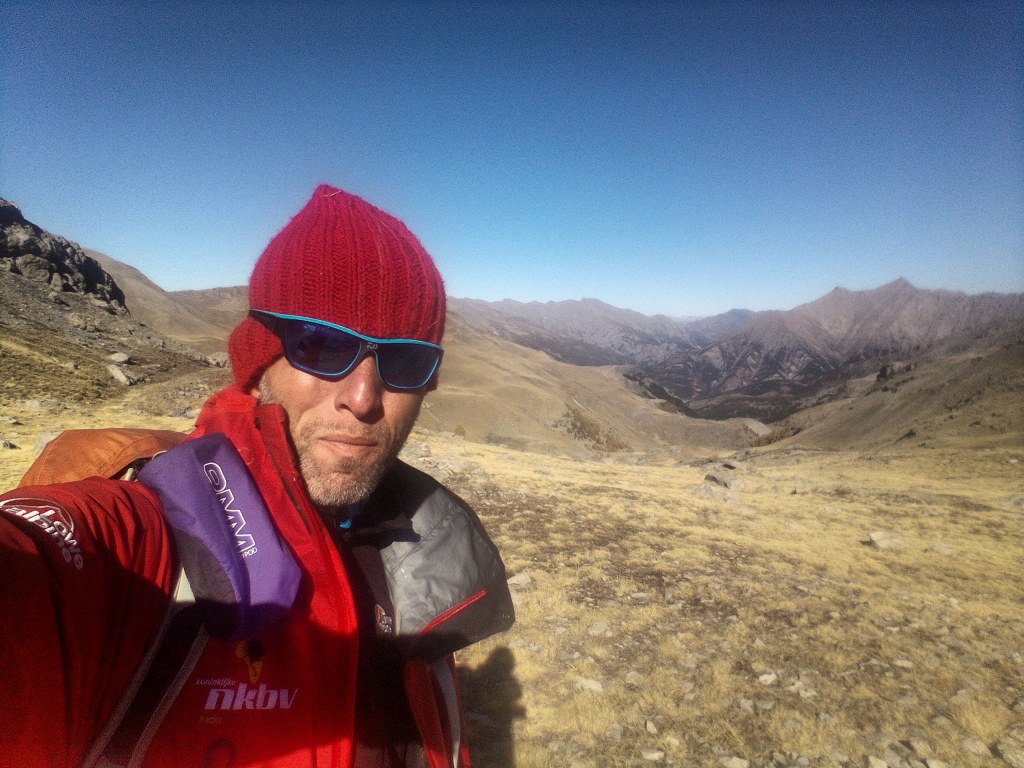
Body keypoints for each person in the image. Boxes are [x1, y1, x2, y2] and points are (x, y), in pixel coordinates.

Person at [0, 185, 515, 768]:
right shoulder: (142, 532)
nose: (365, 398)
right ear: (259, 356)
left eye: (405, 361)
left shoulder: (423, 541)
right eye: (322, 346)